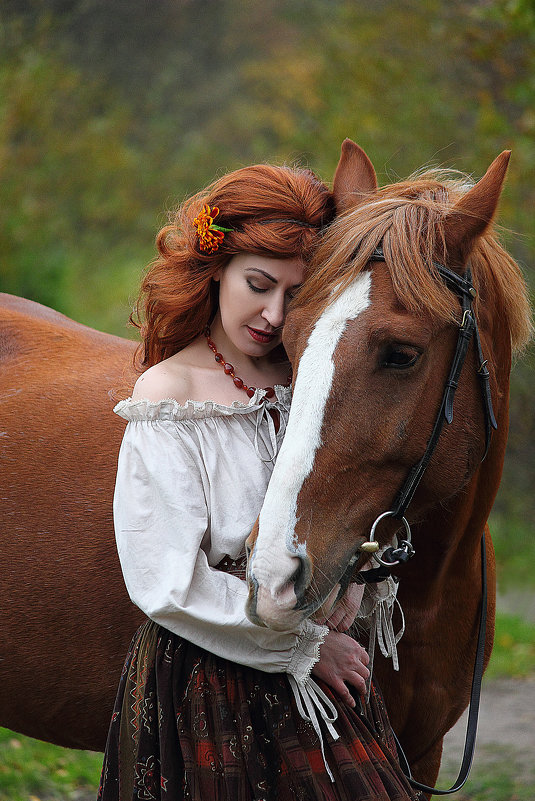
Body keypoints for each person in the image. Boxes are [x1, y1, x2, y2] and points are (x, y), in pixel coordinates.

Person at [98, 162, 420, 801]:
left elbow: (342, 495)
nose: (273, 315)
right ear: (213, 266)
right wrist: (305, 648)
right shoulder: (171, 396)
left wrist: (351, 580)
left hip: (319, 663)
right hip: (212, 675)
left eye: (296, 295)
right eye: (258, 283)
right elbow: (165, 579)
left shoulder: (310, 381)